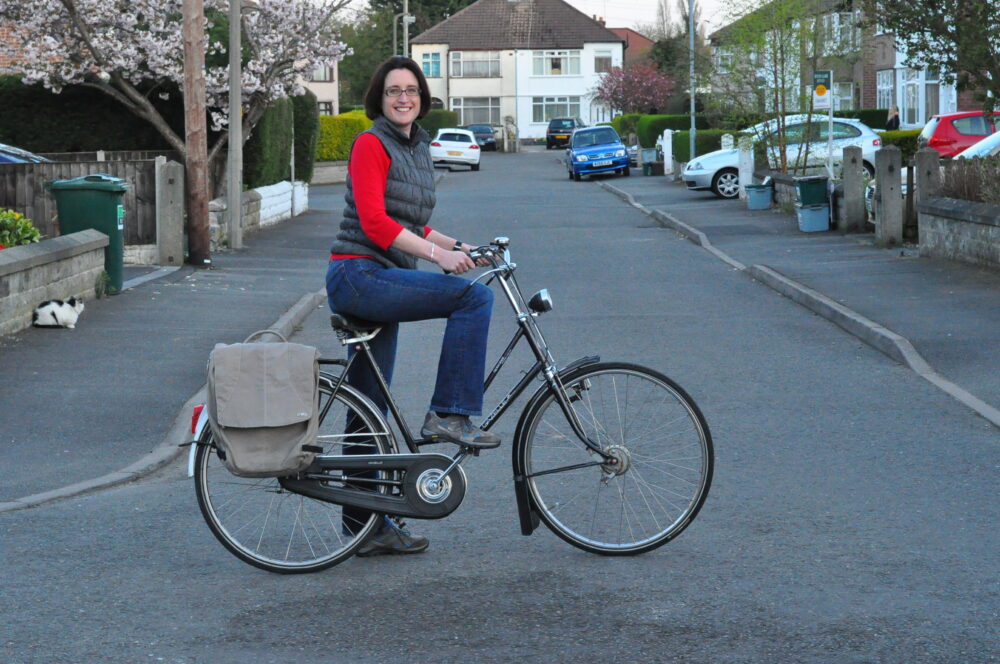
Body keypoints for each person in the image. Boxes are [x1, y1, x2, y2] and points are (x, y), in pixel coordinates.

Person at [325, 56, 498, 556]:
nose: (403, 98)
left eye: (411, 90)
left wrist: (461, 247)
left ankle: (365, 528)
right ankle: (450, 413)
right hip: (360, 274)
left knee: (367, 410)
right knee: (473, 297)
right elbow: (377, 224)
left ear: (422, 98)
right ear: (380, 99)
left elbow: (411, 223)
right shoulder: (370, 143)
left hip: (382, 275)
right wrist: (442, 259)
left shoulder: (416, 147)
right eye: (393, 91)